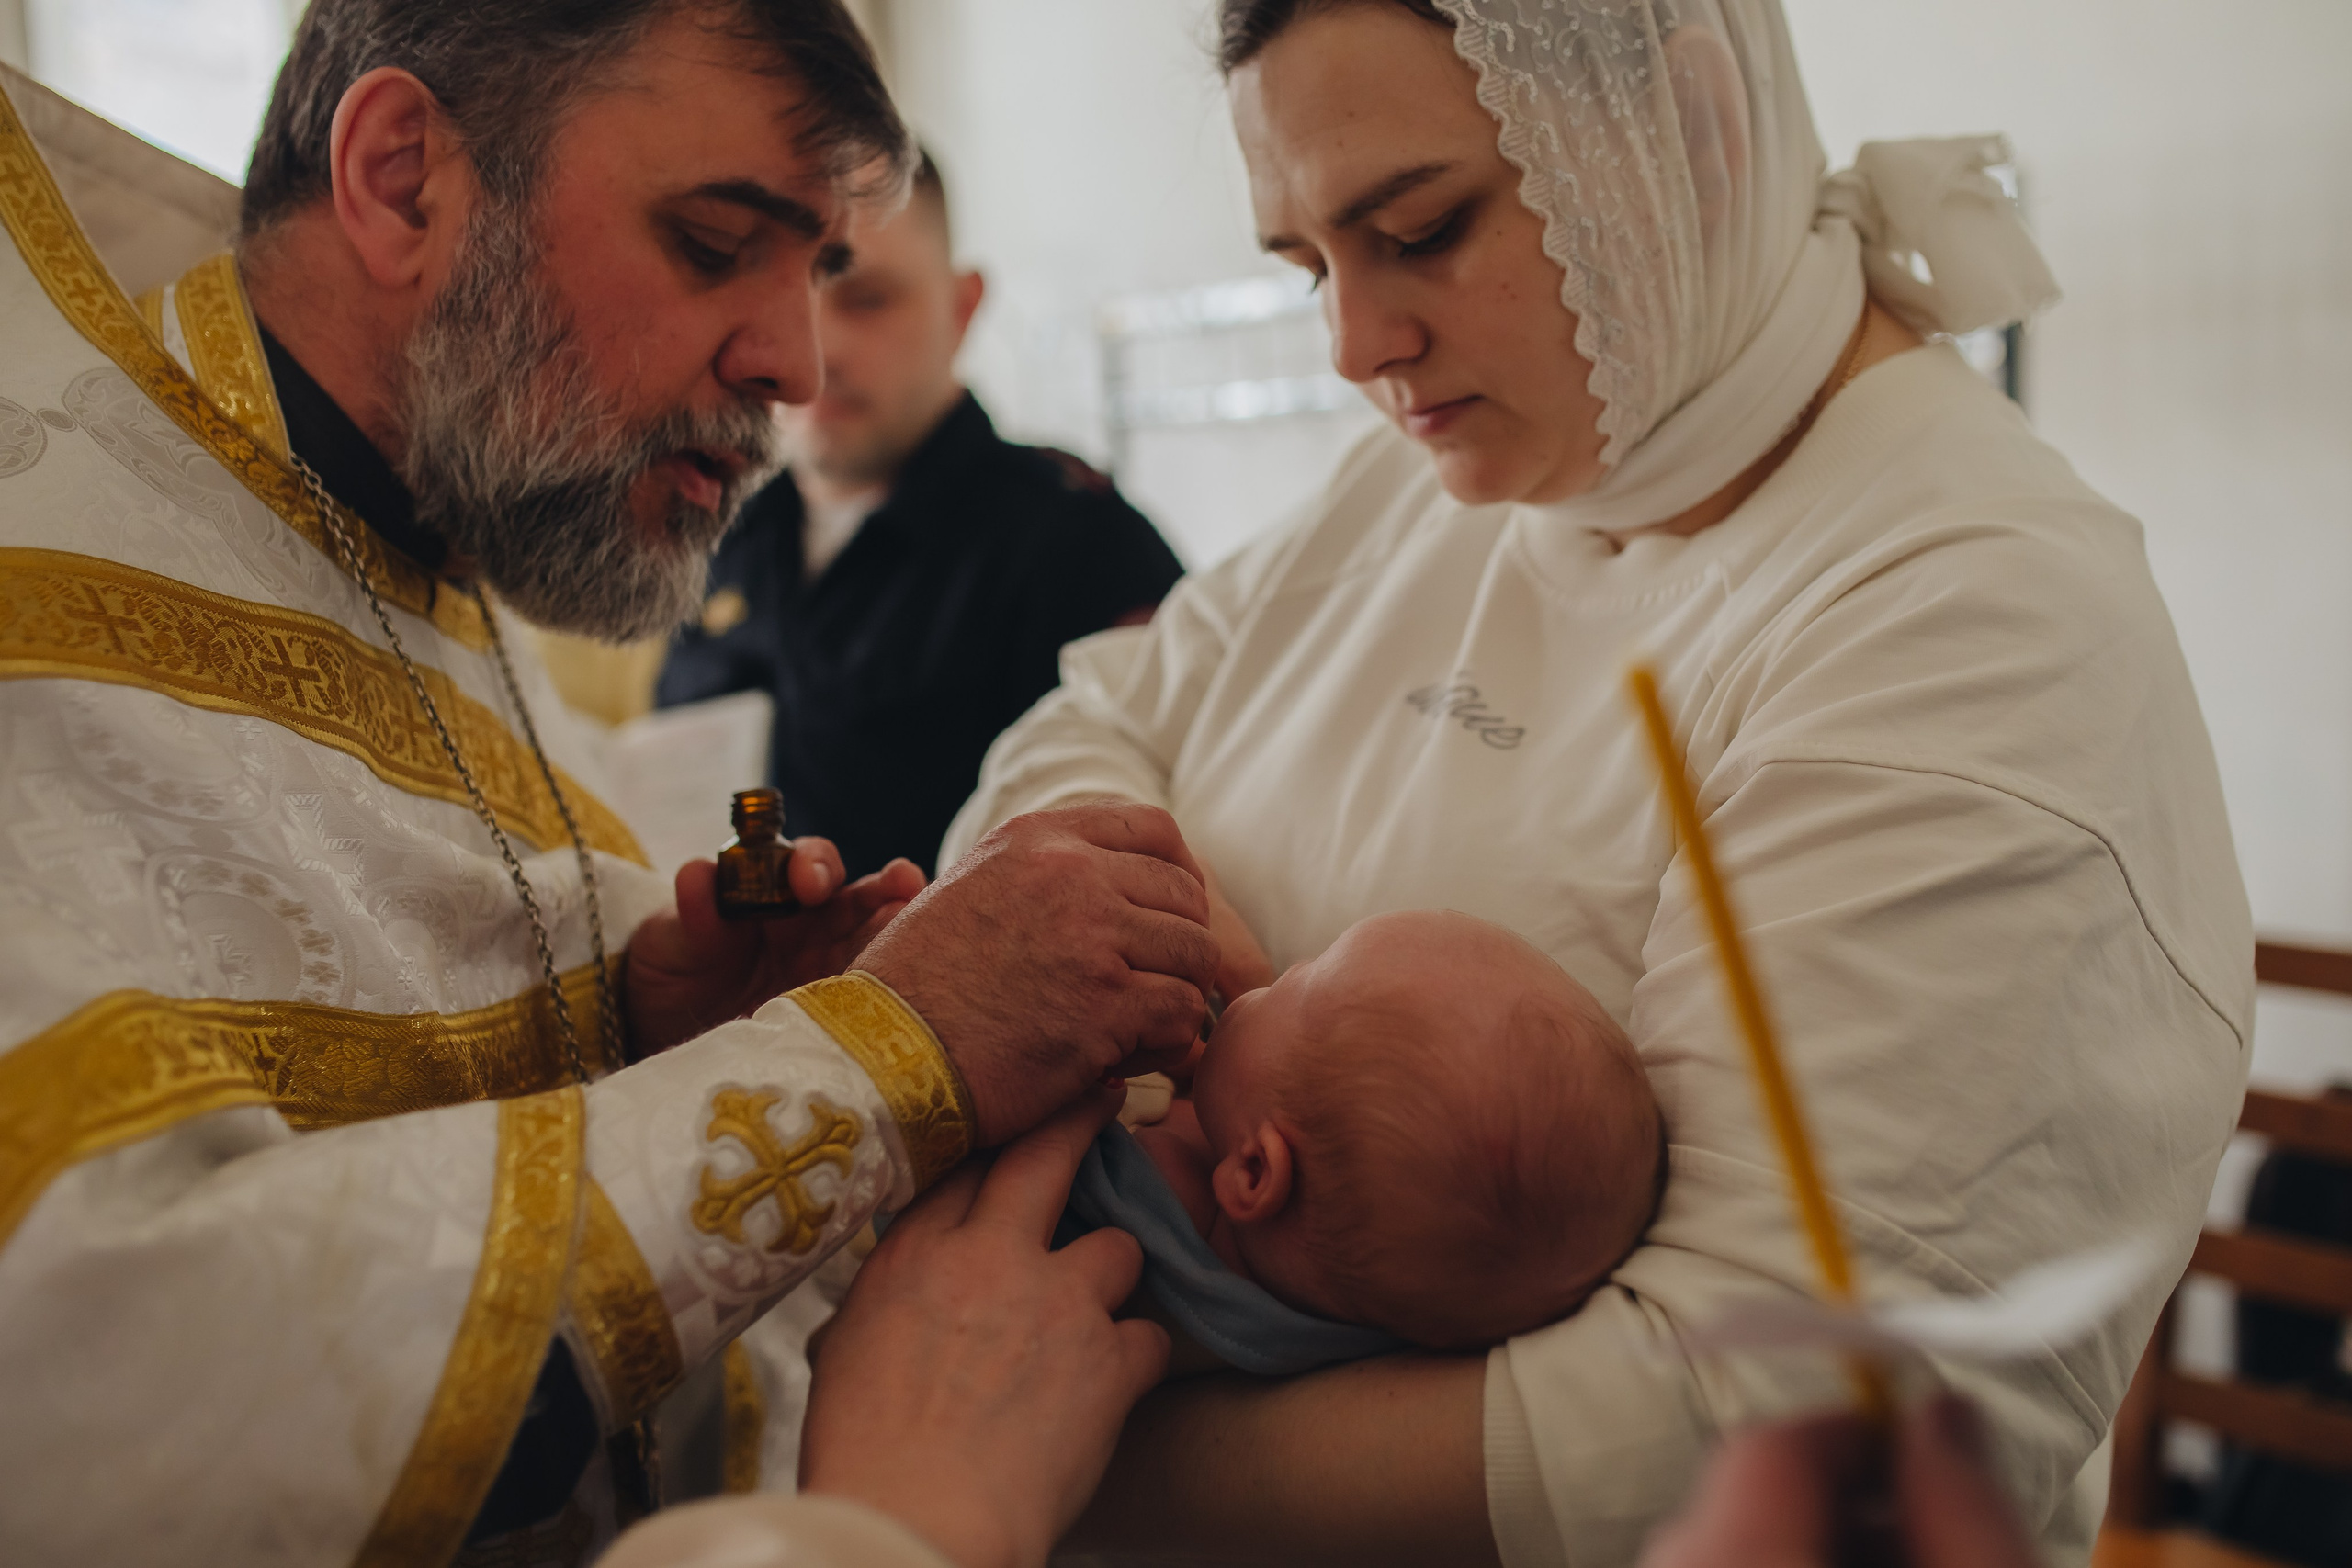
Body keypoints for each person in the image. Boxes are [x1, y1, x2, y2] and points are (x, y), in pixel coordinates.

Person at [943, 0, 2252, 1562]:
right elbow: (1078, 725)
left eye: (1420, 229)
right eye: (1306, 263)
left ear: (1687, 123)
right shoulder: (1443, 477)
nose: (1354, 345)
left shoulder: (1964, 615)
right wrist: (1172, 922)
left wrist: (1012, 1461)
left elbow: (1760, 1418)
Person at [0, 6, 1217, 1565]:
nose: (797, 364)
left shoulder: (437, 531)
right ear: (403, 177)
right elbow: (100, 1380)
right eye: (718, 242)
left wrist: (636, 1026)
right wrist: (881, 1056)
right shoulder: (48, 571)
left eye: (824, 272)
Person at [655, 152, 1185, 879]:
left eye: (866, 298)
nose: (818, 348)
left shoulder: (1079, 546)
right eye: (783, 301)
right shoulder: (715, 528)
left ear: (961, 309)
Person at [1083, 908, 1661, 1371]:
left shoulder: (1130, 1219)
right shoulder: (1334, 1343)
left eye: (1298, 980)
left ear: (1257, 1172)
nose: (1287, 967)